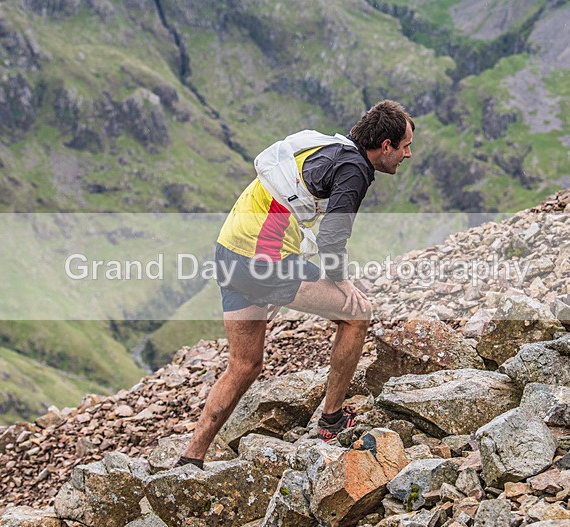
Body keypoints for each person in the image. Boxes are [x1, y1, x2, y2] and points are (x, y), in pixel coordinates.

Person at [177, 100, 414, 468]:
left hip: (230, 248)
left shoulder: (326, 146)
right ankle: (332, 420)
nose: (407, 154)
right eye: (403, 147)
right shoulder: (354, 168)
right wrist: (341, 282)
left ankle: (190, 459)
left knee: (244, 364)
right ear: (385, 146)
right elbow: (333, 236)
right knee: (358, 313)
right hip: (261, 257)